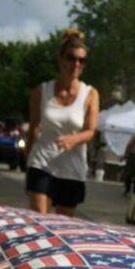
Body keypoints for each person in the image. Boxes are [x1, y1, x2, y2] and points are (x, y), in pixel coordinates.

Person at [25, 28, 101, 216]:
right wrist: (27, 160)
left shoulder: (90, 94)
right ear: (60, 59)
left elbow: (91, 131)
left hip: (72, 169)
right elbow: (34, 127)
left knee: (62, 229)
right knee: (39, 223)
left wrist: (73, 140)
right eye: (71, 58)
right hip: (42, 163)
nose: (76, 64)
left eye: (81, 60)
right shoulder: (41, 91)